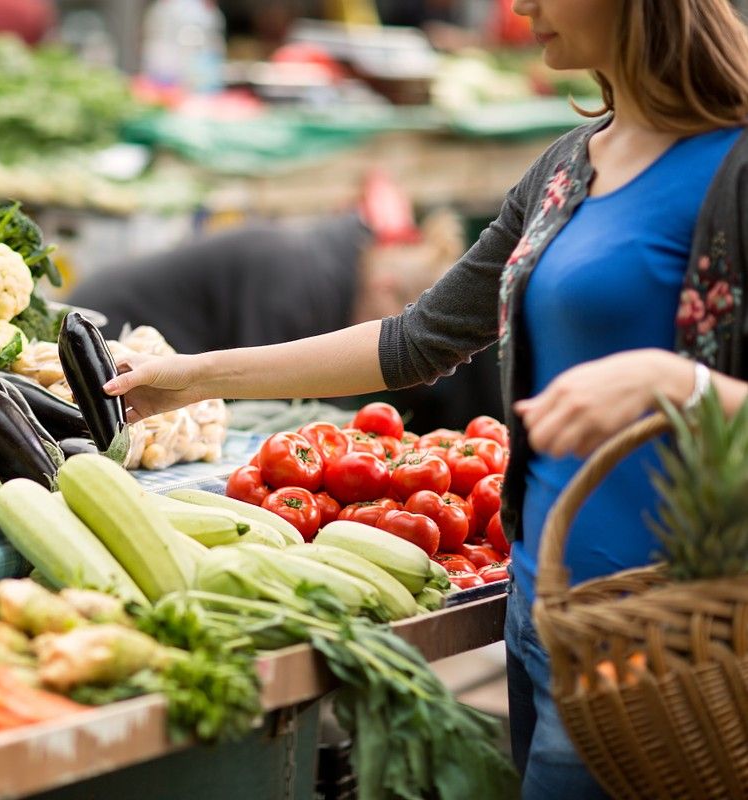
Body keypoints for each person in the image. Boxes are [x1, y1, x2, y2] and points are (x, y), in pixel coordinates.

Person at [103, 1, 748, 796]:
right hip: (547, 618)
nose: (520, 8)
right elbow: (415, 339)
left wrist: (680, 383)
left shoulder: (736, 168)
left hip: (688, 641)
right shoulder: (566, 168)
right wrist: (196, 377)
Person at [66, 209, 504, 432]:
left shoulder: (327, 266)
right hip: (101, 332)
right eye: (399, 320)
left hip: (165, 350)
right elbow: (259, 392)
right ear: (387, 287)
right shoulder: (296, 282)